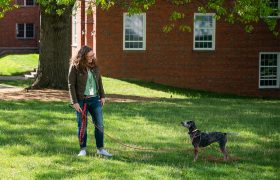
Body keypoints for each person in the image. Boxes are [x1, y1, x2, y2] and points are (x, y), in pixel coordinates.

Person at [68, 45, 112, 157]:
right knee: (82, 125)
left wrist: (102, 96)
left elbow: (99, 81)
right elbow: (71, 85)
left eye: (93, 55)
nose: (92, 58)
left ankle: (100, 149)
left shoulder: (95, 67)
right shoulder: (75, 67)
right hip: (81, 101)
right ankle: (82, 149)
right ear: (83, 57)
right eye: (89, 56)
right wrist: (75, 102)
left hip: (95, 99)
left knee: (100, 125)